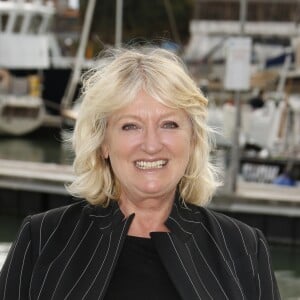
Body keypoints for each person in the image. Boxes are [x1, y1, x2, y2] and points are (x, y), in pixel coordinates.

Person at [0, 47, 281, 300]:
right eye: (130, 126)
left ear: (193, 139)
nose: (151, 144)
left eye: (169, 124)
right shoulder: (42, 239)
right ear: (103, 143)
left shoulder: (243, 248)